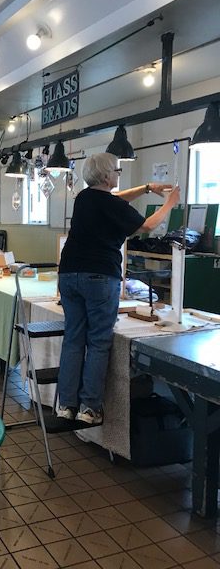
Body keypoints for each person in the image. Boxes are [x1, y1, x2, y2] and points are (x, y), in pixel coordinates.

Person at [56, 152, 181, 425]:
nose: (118, 175)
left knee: (74, 338)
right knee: (99, 342)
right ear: (105, 175)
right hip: (99, 276)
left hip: (68, 274)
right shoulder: (107, 203)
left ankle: (65, 404)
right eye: (117, 171)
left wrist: (147, 188)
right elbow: (148, 225)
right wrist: (171, 203)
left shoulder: (84, 199)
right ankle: (89, 408)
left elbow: (115, 200)